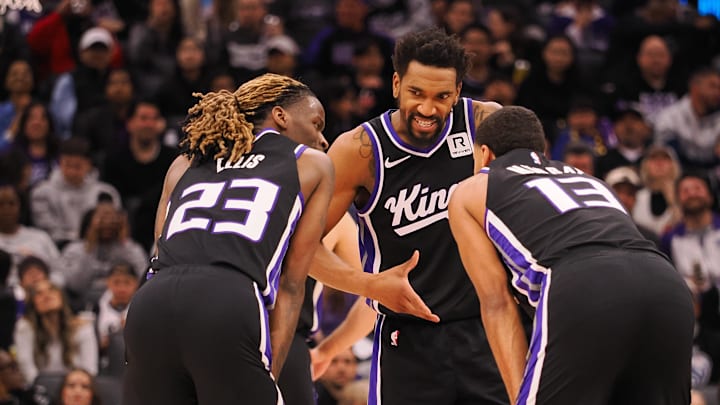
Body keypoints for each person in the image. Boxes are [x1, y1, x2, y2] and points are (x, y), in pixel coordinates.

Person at [308, 27, 507, 404]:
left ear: (459, 92)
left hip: (488, 329)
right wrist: (368, 286)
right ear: (397, 84)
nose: (428, 109)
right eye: (416, 93)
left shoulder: (486, 123)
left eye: (442, 96)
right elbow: (302, 247)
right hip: (407, 338)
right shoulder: (359, 149)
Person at [447, 105, 695, 404]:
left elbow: (496, 303)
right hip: (666, 282)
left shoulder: (472, 188)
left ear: (484, 153)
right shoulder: (589, 179)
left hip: (583, 282)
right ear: (543, 150)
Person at [122, 73, 335, 405]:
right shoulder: (314, 164)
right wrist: (269, 377)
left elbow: (160, 247)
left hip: (150, 304)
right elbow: (292, 285)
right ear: (280, 116)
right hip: (227, 298)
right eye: (317, 124)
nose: (322, 140)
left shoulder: (185, 161)